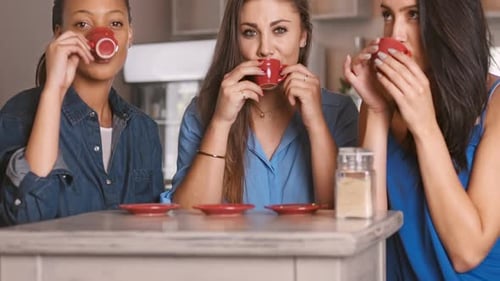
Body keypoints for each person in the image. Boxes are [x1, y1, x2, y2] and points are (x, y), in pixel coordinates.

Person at [344, 0, 500, 279]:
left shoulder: (496, 105)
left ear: (453, 23)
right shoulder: (379, 100)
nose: (395, 35)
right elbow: (366, 232)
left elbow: (467, 252)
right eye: (387, 15)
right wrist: (378, 110)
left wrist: (426, 127)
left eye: (413, 14)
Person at [164, 0, 358, 210]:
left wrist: (317, 124)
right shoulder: (200, 114)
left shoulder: (339, 112)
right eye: (249, 33)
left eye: (280, 30)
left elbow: (346, 213)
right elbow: (187, 217)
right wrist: (220, 123)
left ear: (303, 35)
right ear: (235, 39)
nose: (265, 49)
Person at [0, 0, 164, 226]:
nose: (101, 35)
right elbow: (27, 218)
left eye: (115, 23)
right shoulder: (18, 115)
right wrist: (54, 91)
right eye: (82, 24)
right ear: (59, 36)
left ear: (129, 35)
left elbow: (154, 228)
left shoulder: (144, 130)